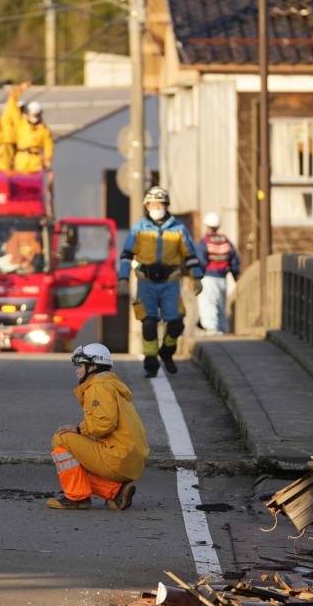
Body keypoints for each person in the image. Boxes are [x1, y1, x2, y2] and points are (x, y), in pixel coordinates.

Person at [47, 343, 149, 510]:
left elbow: (104, 423)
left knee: (61, 439)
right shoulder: (111, 383)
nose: (77, 370)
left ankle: (77, 498)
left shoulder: (98, 386)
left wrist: (79, 429)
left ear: (93, 366)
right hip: (131, 459)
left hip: (117, 458)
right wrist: (81, 429)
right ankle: (117, 492)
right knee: (75, 460)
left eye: (80, 365)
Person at [118, 186, 204, 378]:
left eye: (159, 204)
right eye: (152, 204)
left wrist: (196, 276)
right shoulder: (139, 228)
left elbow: (190, 255)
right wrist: (123, 278)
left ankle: (166, 352)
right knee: (148, 324)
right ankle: (150, 362)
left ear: (166, 205)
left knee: (175, 323)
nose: (156, 207)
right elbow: (126, 255)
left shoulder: (179, 228)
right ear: (146, 206)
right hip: (145, 282)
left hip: (170, 282)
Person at [195, 212, 240, 335]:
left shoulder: (205, 242)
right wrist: (236, 275)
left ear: (206, 225)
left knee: (208, 303)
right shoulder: (225, 241)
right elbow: (234, 260)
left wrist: (197, 276)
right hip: (223, 278)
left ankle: (211, 329)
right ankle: (222, 328)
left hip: (208, 277)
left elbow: (200, 260)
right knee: (221, 303)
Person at [14, 100, 54, 174]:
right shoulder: (21, 124)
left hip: (36, 163)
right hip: (21, 161)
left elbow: (48, 147)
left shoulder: (44, 130)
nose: (35, 116)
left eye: (36, 114)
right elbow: (13, 112)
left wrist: (47, 160)